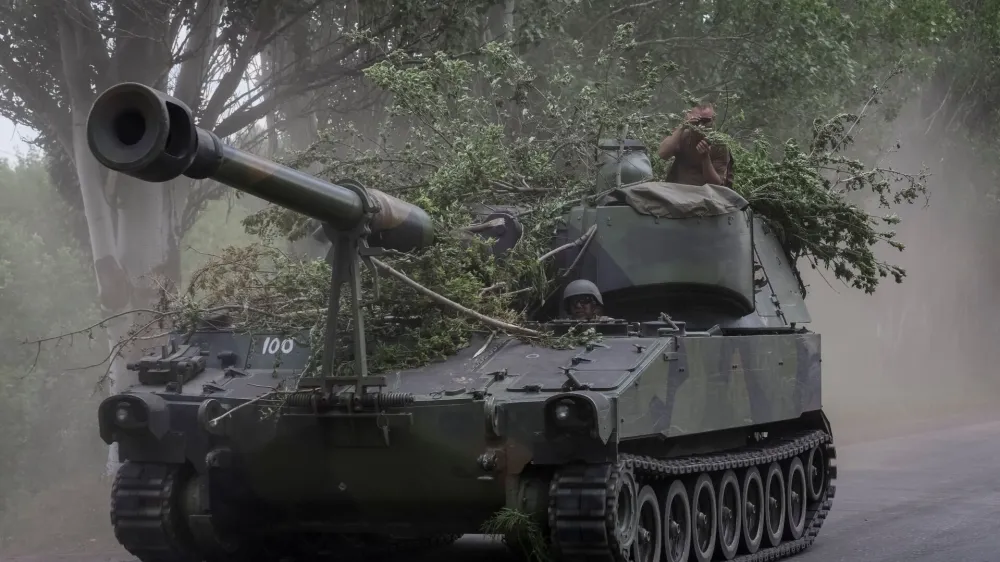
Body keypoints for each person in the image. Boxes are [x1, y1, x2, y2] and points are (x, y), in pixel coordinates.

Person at [656, 103, 733, 188]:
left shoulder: (719, 145)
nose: (701, 125)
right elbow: (662, 154)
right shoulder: (682, 136)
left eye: (706, 121)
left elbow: (716, 184)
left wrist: (705, 157)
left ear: (713, 120)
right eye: (697, 120)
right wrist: (683, 126)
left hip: (703, 192)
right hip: (676, 188)